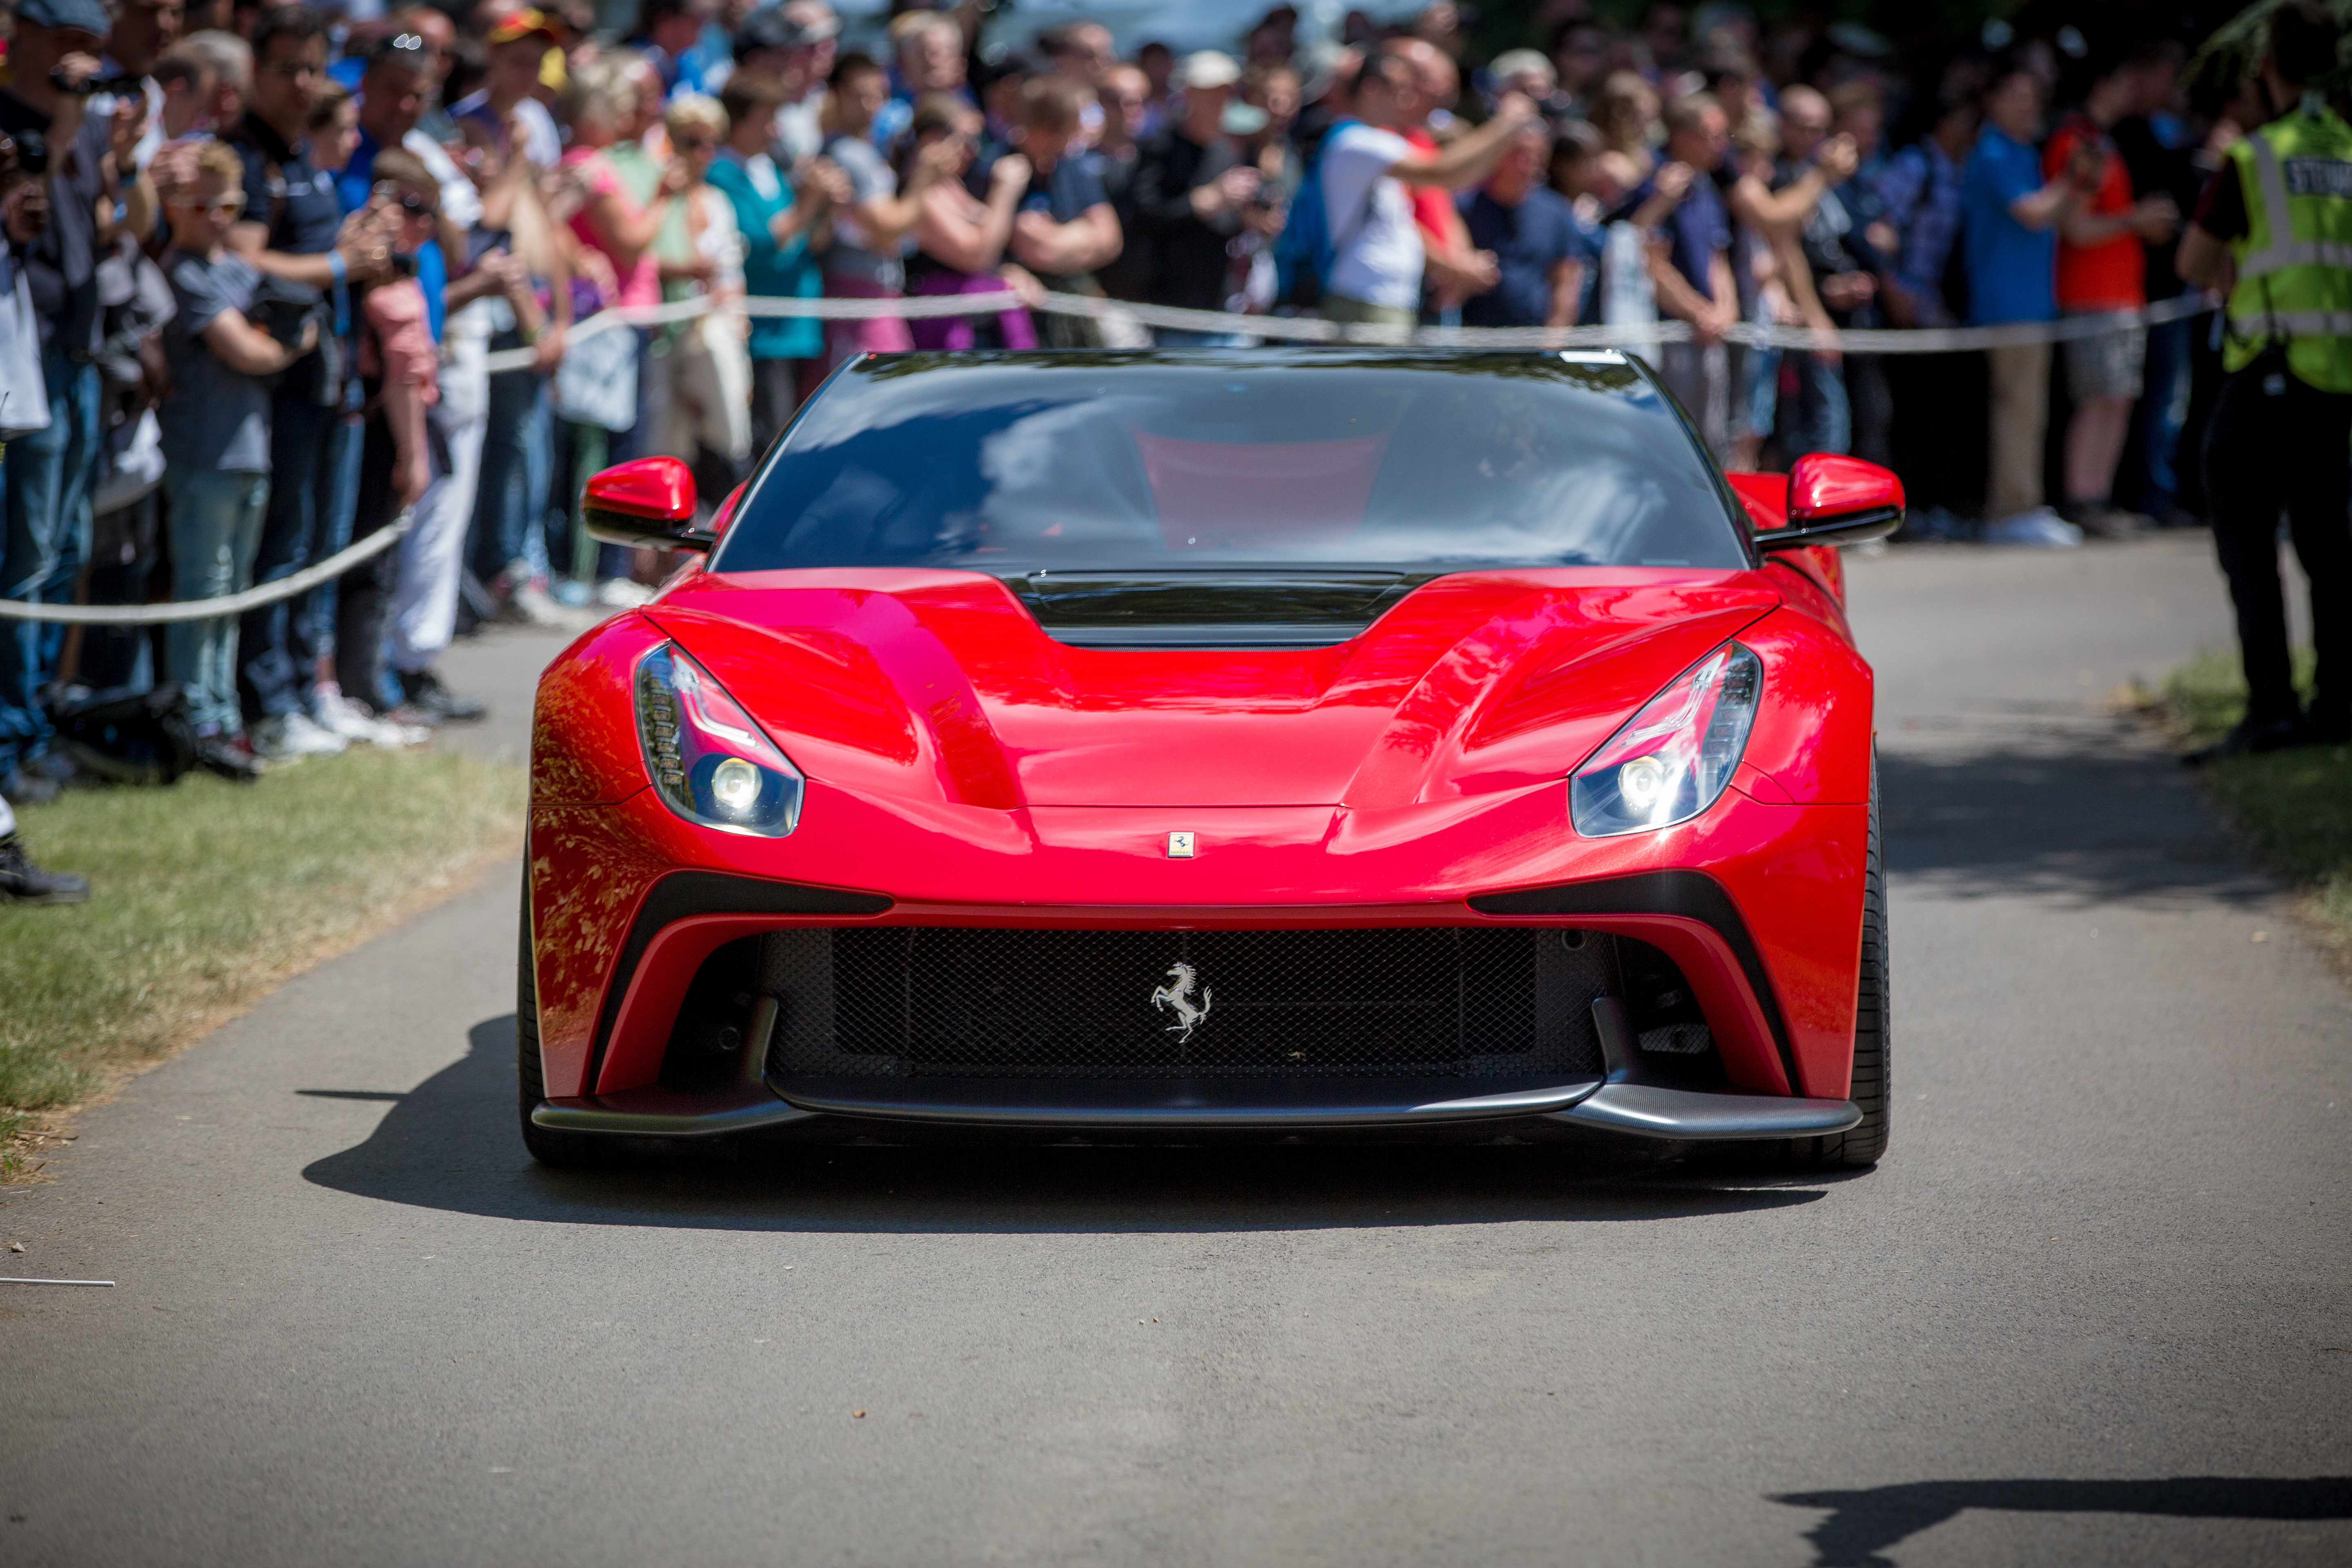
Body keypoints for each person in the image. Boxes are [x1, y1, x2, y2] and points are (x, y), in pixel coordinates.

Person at [2176, 0, 2352, 759]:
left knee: (2248, 544)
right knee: (2329, 545)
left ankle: (2272, 706)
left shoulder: (2256, 156)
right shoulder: (2347, 146)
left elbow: (2191, 262)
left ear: (2269, 66)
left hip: (2268, 371)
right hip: (2336, 379)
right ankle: (2338, 702)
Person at [0, 0, 155, 805]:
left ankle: (34, 728)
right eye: (69, 46)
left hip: (83, 354)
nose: (87, 66)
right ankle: (9, 742)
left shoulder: (92, 126)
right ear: (20, 37)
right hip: (24, 364)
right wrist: (62, 133)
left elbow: (117, 227)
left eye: (93, 49)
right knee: (20, 560)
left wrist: (122, 164)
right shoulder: (12, 121)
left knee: (61, 554)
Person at [222, 4, 374, 761]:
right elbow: (244, 260)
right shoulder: (247, 156)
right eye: (286, 68)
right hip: (271, 389)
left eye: (312, 69)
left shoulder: (302, 151)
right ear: (255, 70)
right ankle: (267, 702)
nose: (301, 84)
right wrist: (342, 266)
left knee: (314, 544)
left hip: (325, 380)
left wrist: (346, 248)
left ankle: (301, 690)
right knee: (278, 548)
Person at [156, 138, 317, 780]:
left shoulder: (234, 268)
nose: (216, 218)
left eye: (228, 204)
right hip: (203, 453)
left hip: (250, 449)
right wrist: (282, 346)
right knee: (204, 589)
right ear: (175, 207)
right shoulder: (184, 272)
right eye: (201, 205)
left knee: (233, 591)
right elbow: (248, 351)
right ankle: (195, 718)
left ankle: (222, 712)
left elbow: (297, 319)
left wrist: (284, 335)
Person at [2046, 49, 2180, 537]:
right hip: (2092, 294)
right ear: (2102, 84)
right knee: (2098, 399)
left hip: (2122, 296)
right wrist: (2136, 220)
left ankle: (2098, 497)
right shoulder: (2080, 143)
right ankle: (2084, 500)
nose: (2133, 90)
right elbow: (2076, 228)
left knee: (2118, 398)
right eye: (2125, 80)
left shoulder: (2100, 141)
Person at [1314, 53, 1532, 330]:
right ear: (1372, 89)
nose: (1407, 100)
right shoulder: (1354, 141)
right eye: (1400, 90)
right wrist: (1507, 122)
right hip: (1363, 298)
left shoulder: (1378, 142)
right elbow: (1442, 173)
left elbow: (1457, 179)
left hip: (1388, 298)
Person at [1964, 64, 2082, 545]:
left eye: (2032, 97)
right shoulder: (1992, 150)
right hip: (2007, 304)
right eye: (2016, 96)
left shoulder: (2022, 151)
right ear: (1992, 101)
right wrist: (2071, 180)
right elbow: (2033, 212)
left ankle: (2023, 504)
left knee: (2029, 411)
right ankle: (2012, 510)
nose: (2028, 106)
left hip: (2032, 303)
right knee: (2018, 409)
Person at [708, 70, 843, 453]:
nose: (774, 132)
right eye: (766, 120)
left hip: (798, 327)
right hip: (765, 335)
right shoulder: (722, 174)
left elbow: (809, 241)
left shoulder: (769, 171)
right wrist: (811, 200)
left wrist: (827, 204)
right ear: (740, 122)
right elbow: (762, 245)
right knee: (770, 445)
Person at [819, 51, 949, 367]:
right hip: (857, 298)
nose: (871, 105)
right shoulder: (848, 154)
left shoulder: (864, 151)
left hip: (873, 294)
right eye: (860, 96)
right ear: (838, 95)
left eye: (878, 96)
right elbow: (886, 228)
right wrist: (924, 179)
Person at [1130, 51, 1259, 343]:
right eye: (1212, 95)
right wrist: (1208, 199)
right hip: (1171, 309)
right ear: (1188, 95)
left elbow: (1226, 225)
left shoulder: (1225, 150)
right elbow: (1145, 214)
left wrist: (1251, 217)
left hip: (1221, 305)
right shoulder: (1160, 147)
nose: (1221, 104)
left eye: (1226, 95)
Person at [1637, 94, 1738, 457]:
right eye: (1711, 135)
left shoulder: (1707, 188)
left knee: (1712, 445)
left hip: (1711, 333)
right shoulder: (1657, 185)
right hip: (1674, 333)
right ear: (1680, 135)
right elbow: (1649, 260)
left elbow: (1718, 257)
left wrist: (1726, 310)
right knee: (1674, 445)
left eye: (1724, 135)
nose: (1721, 146)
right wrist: (1699, 313)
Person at [900, 94, 1035, 352]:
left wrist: (1006, 272)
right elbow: (975, 255)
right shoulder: (920, 191)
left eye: (978, 140)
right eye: (966, 140)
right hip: (946, 333)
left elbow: (990, 253)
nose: (974, 151)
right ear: (932, 140)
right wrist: (1004, 191)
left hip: (980, 325)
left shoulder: (953, 186)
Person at [996, 78, 1122, 347]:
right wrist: (1083, 234)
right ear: (1047, 130)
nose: (1078, 138)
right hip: (1023, 328)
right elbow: (1037, 251)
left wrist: (1056, 237)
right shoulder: (1002, 169)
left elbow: (1110, 241)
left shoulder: (1070, 167)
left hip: (1076, 316)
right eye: (1071, 129)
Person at [1457, 119, 1584, 329]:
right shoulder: (1465, 205)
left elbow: (1566, 283)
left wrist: (1555, 339)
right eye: (1519, 154)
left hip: (1532, 343)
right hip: (1469, 337)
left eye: (1537, 156)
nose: (1527, 164)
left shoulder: (1557, 212)